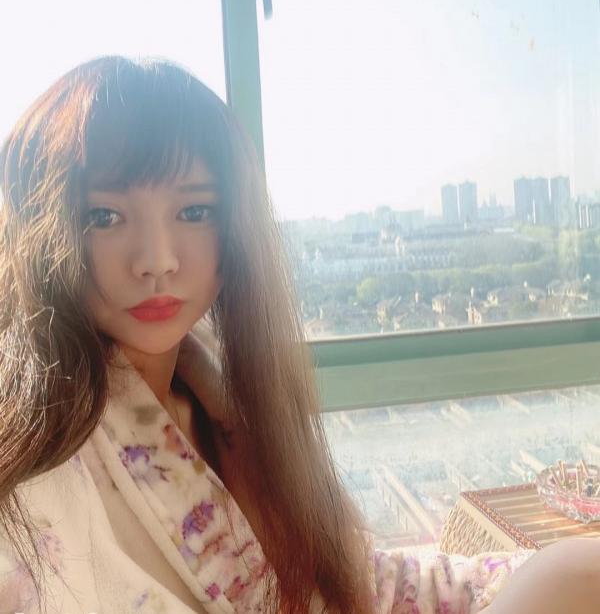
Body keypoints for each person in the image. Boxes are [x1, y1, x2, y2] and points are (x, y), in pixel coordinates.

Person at [0, 55, 598, 614]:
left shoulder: (221, 396)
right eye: (105, 216)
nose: (157, 259)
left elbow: (343, 579)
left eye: (194, 211)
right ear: (42, 233)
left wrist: (538, 576)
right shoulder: (38, 468)